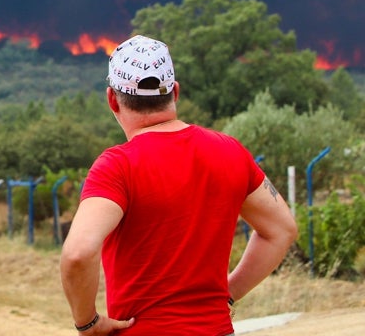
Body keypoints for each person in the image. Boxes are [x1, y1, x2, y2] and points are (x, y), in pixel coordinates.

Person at [60, 35, 298, 335]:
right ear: (174, 91)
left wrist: (88, 322)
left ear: (112, 99)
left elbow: (78, 254)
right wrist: (228, 294)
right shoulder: (230, 151)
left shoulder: (117, 167)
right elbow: (282, 229)